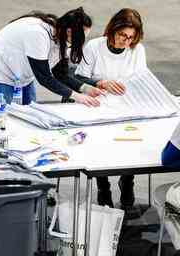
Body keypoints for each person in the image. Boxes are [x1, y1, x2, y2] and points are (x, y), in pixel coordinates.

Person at [75, 8, 147, 208]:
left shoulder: (137, 50)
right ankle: (103, 185)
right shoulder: (94, 47)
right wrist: (101, 83)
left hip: (126, 105)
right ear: (112, 30)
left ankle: (128, 180)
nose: (126, 41)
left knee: (132, 139)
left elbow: (141, 80)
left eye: (131, 37)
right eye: (122, 35)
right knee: (100, 140)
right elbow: (78, 77)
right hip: (98, 104)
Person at [0, 7, 104, 107]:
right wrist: (77, 96)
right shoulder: (38, 34)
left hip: (21, 72)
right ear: (69, 31)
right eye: (80, 38)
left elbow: (60, 74)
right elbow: (44, 77)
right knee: (8, 116)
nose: (81, 42)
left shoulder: (63, 37)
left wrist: (85, 88)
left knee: (30, 112)